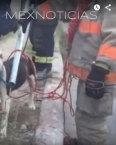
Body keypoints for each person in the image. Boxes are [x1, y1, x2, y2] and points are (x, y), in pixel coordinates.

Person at [22, 0, 116, 144]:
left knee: (91, 122)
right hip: (91, 74)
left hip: (101, 76)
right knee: (84, 115)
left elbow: (113, 40)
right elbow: (63, 8)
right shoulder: (87, 4)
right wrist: (34, 14)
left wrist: (101, 68)